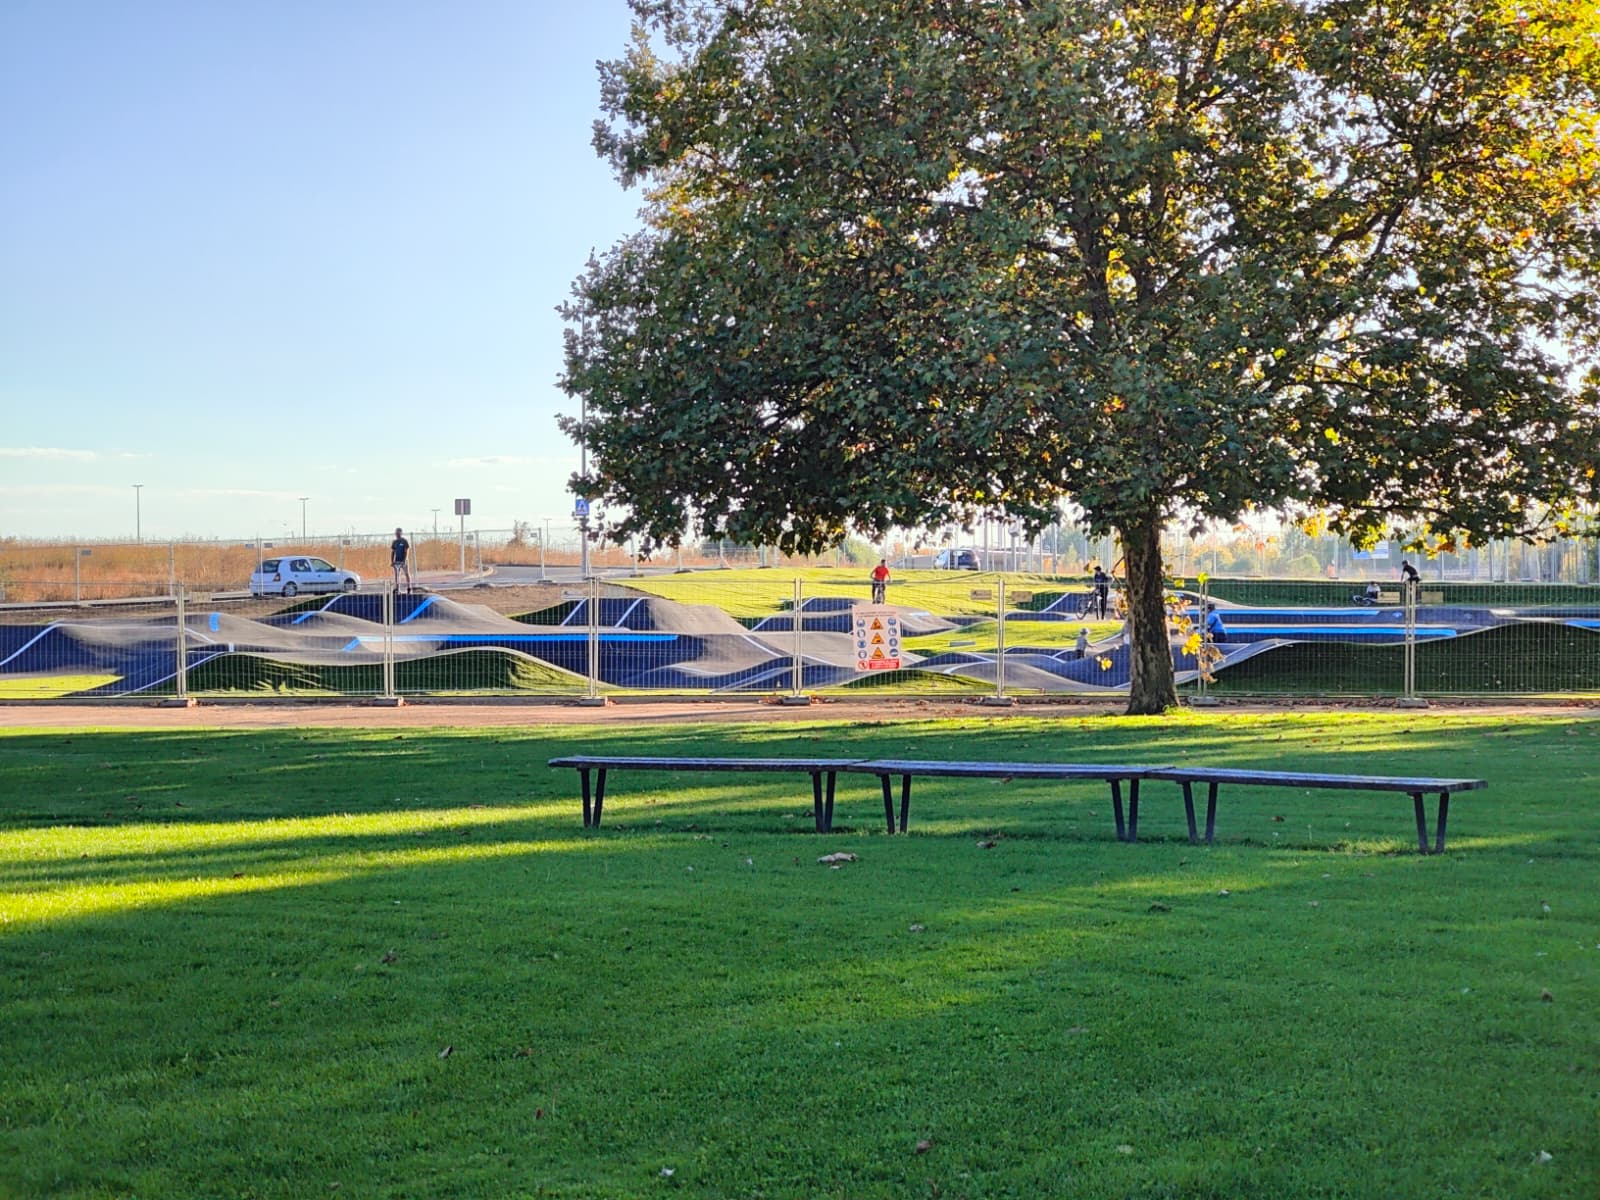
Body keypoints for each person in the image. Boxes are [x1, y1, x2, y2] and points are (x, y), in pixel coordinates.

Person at [391, 527, 412, 593]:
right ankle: (397, 588)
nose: (397, 534)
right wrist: (392, 561)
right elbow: (393, 552)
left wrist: (404, 560)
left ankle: (409, 588)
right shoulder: (394, 542)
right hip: (397, 561)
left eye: (398, 532)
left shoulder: (404, 541)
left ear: (401, 533)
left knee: (406, 573)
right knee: (397, 575)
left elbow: (406, 550)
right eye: (396, 532)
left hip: (403, 561)